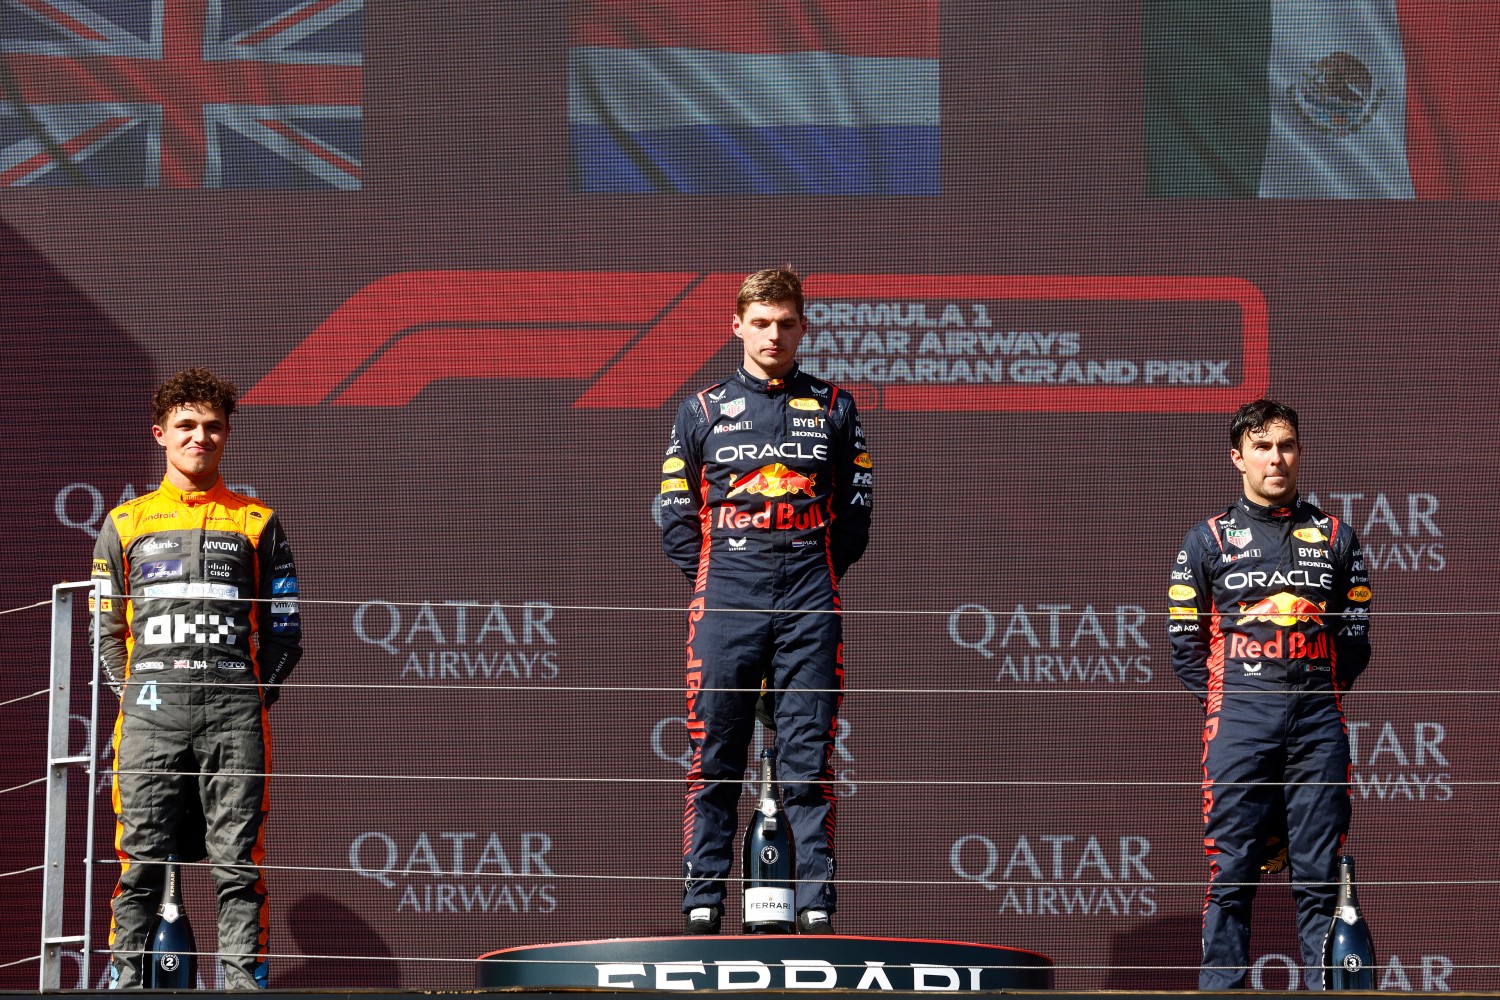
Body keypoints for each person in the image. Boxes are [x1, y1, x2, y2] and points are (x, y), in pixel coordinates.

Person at [659, 268, 872, 935]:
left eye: (785, 323)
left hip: (810, 592)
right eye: (760, 322)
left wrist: (808, 564)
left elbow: (857, 517)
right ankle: (702, 899)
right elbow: (673, 514)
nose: (773, 334)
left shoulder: (837, 405)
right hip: (727, 592)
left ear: (802, 327)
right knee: (715, 754)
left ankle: (814, 903)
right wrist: (726, 568)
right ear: (737, 327)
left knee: (808, 757)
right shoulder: (701, 409)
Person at [90, 368, 302, 989]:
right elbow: (106, 633)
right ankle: (124, 983)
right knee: (139, 863)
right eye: (186, 426)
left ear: (228, 435)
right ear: (160, 434)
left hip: (235, 714)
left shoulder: (258, 521)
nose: (199, 438)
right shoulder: (124, 523)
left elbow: (286, 633)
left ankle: (243, 985)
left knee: (239, 865)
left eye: (212, 428)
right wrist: (136, 695)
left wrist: (247, 697)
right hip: (149, 714)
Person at [1168, 398, 1372, 990]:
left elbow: (1353, 645)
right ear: (1238, 458)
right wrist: (1234, 700)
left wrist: (1306, 688)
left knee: (1317, 876)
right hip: (1237, 720)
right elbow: (1185, 645)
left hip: (1316, 722)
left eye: (1285, 446)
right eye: (1261, 447)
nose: (1275, 458)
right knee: (1230, 875)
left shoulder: (1337, 536)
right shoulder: (1206, 540)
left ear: (1299, 454)